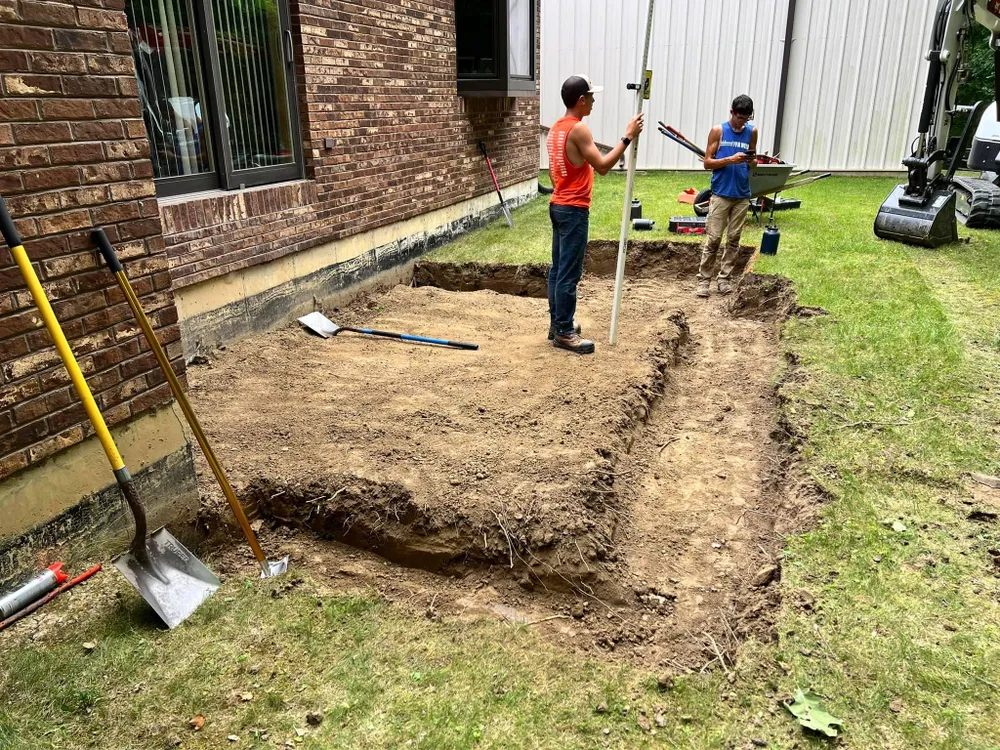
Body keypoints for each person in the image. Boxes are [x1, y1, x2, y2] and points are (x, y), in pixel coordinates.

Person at [546, 74, 644, 354]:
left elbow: (554, 174)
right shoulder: (578, 129)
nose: (593, 101)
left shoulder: (555, 129)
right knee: (568, 273)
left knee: (558, 270)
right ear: (580, 100)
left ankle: (557, 324)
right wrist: (628, 136)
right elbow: (602, 166)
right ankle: (564, 332)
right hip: (573, 210)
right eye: (590, 97)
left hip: (558, 205)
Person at [697, 95, 758, 298]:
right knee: (714, 239)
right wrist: (730, 159)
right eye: (739, 118)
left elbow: (753, 162)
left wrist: (751, 161)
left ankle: (724, 279)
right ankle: (704, 281)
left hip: (742, 194)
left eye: (746, 119)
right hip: (722, 193)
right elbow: (707, 163)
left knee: (733, 239)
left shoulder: (752, 132)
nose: (742, 123)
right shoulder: (718, 131)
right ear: (732, 112)